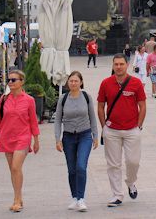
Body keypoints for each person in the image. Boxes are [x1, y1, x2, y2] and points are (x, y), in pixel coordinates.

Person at [97, 54, 147, 208]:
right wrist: (104, 126)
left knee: (133, 161)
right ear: (112, 66)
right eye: (116, 64)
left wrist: (139, 125)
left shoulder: (136, 83)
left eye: (121, 64)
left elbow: (142, 105)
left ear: (127, 65)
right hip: (112, 129)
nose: (118, 67)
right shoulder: (106, 83)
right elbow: (100, 106)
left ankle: (131, 182)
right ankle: (117, 195)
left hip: (132, 129)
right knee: (113, 164)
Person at [0, 69, 40, 213]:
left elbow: (33, 121)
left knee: (16, 167)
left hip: (23, 137)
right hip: (7, 137)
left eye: (13, 80)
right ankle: (18, 197)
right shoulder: (4, 99)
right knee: (13, 170)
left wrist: (36, 140)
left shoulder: (29, 100)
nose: (10, 82)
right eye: (9, 80)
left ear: (22, 82)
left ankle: (16, 200)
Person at [54, 71, 98, 212]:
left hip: (84, 135)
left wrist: (95, 136)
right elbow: (57, 120)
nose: (73, 83)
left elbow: (92, 117)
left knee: (81, 167)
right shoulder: (63, 98)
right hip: (68, 137)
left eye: (75, 81)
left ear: (81, 82)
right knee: (72, 169)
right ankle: (74, 197)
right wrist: (57, 139)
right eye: (71, 81)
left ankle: (81, 198)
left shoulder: (86, 97)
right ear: (68, 83)